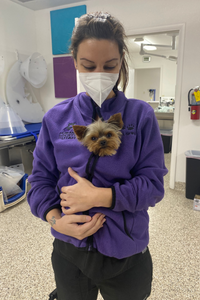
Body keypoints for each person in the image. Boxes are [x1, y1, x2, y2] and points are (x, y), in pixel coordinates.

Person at [27, 12, 168, 300]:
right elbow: (39, 182)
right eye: (89, 66)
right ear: (75, 62)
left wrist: (100, 197)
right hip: (70, 253)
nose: (99, 75)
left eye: (110, 65)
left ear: (121, 62)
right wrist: (55, 220)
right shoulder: (56, 118)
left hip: (126, 252)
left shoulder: (140, 117)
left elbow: (153, 187)